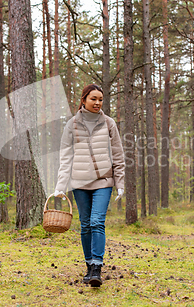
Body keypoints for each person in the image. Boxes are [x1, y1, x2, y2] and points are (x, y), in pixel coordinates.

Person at [52, 84, 125, 287]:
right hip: (79, 183)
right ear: (83, 99)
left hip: (103, 181)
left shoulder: (109, 123)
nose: (98, 103)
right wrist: (61, 185)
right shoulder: (72, 124)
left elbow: (118, 155)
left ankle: (96, 267)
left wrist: (119, 182)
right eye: (93, 99)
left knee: (96, 222)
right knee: (85, 225)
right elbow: (65, 157)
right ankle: (88, 265)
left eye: (100, 99)